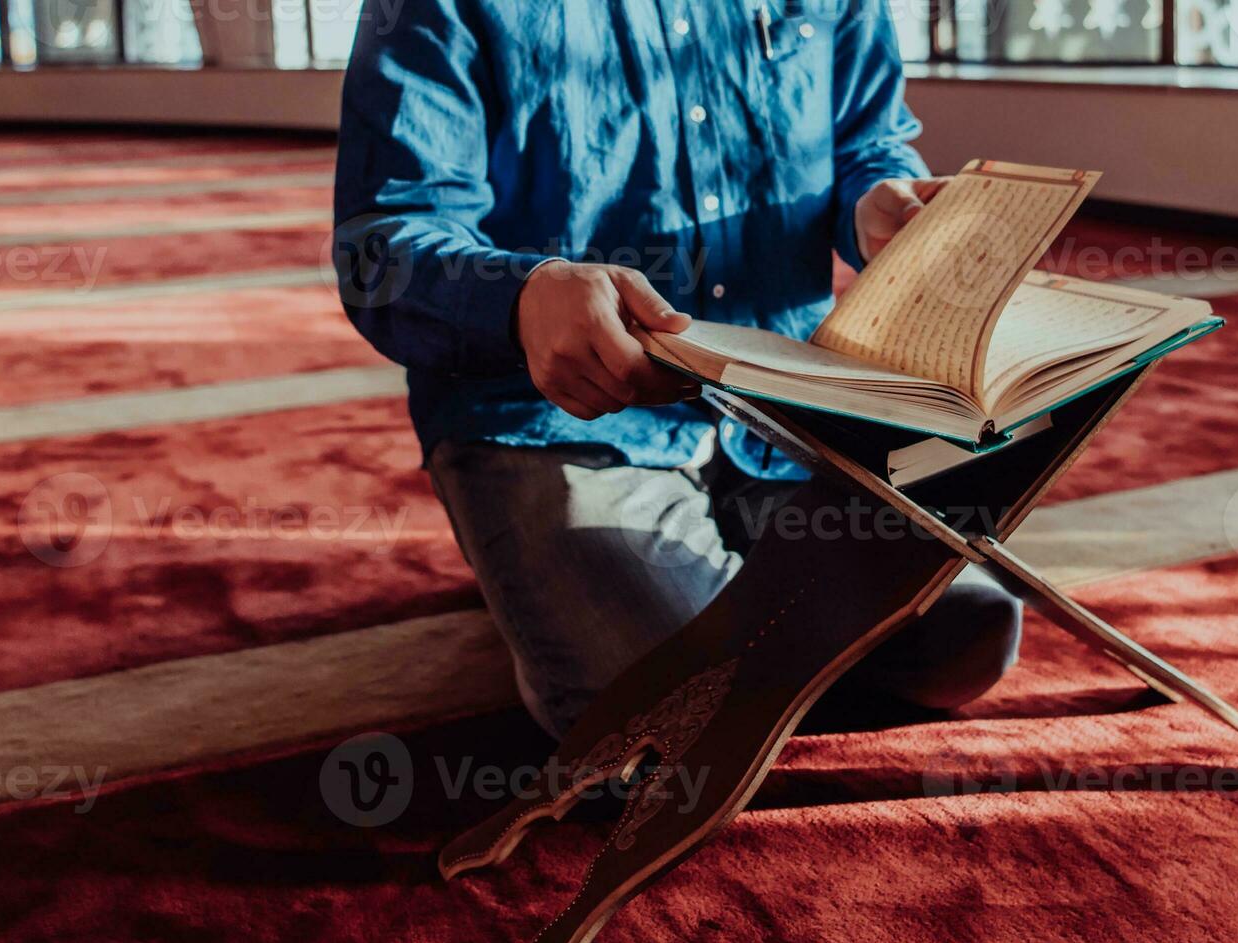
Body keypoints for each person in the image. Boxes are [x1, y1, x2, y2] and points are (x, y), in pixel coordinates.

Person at [333, 0, 1024, 736]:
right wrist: (522, 298)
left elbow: (868, 143)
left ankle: (643, 600)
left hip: (779, 412)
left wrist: (878, 200)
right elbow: (382, 247)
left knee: (964, 637)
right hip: (554, 419)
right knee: (667, 716)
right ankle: (572, 592)